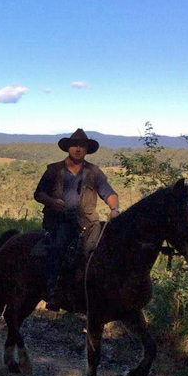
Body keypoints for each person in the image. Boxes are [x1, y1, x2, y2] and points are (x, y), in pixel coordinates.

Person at [34, 128, 119, 311]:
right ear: (68, 148)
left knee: (101, 251)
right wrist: (51, 201)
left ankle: (97, 293)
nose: (78, 149)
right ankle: (53, 290)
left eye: (82, 146)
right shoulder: (53, 170)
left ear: (87, 149)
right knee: (58, 247)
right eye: (75, 145)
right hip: (59, 220)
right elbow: (38, 193)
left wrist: (115, 208)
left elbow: (109, 193)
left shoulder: (94, 172)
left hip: (88, 221)